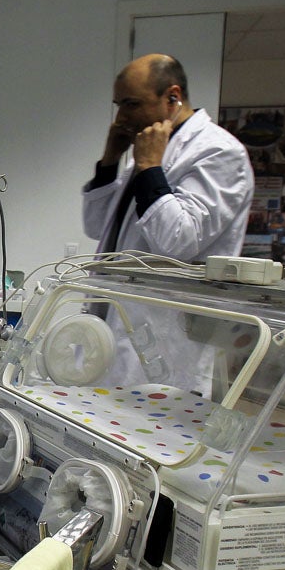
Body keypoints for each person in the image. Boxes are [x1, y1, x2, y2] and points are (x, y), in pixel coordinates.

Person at [81, 53, 254, 386]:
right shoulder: (152, 152)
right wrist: (109, 161)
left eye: (131, 104)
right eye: (118, 105)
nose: (121, 118)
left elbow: (179, 241)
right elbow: (96, 227)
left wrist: (149, 169)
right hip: (112, 322)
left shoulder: (218, 151)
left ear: (172, 97)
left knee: (147, 429)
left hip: (165, 337)